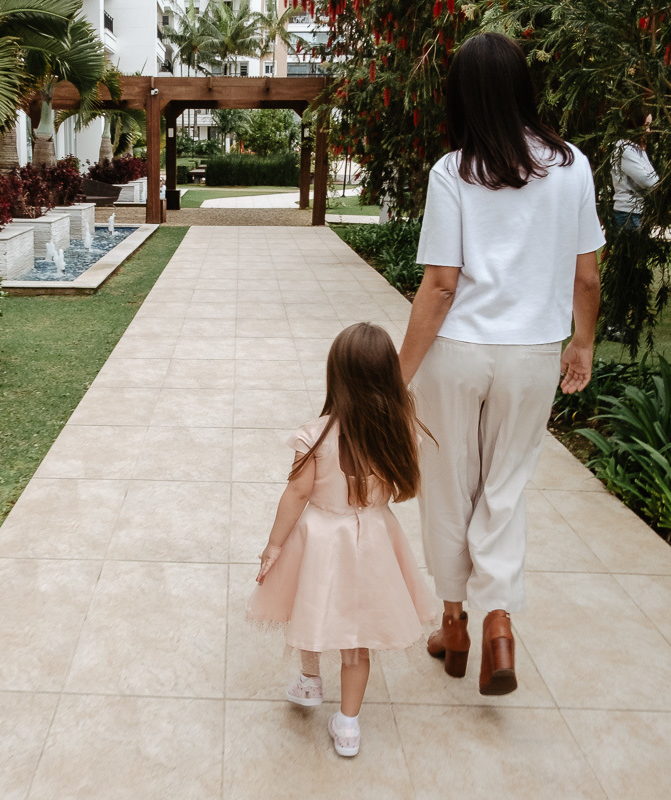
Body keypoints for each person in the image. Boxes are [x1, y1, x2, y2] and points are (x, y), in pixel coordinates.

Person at [397, 32, 604, 697]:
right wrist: (583, 343)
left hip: (457, 354)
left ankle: (452, 624)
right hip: (533, 354)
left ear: (462, 96)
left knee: (449, 482)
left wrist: (397, 372)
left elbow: (439, 286)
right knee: (505, 486)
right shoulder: (574, 167)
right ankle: (499, 628)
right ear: (522, 88)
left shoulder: (452, 171)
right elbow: (590, 276)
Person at [246, 322, 433, 758]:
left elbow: (297, 493)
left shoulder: (315, 436)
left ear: (337, 375)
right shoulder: (400, 432)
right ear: (389, 375)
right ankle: (348, 725)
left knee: (308, 605)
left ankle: (310, 681)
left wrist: (275, 544)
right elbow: (403, 486)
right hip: (374, 543)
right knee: (356, 638)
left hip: (320, 538)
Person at [611, 108, 659, 231]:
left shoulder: (638, 149)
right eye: (646, 126)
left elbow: (654, 179)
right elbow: (649, 181)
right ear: (635, 125)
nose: (648, 131)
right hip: (627, 212)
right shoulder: (625, 150)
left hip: (637, 210)